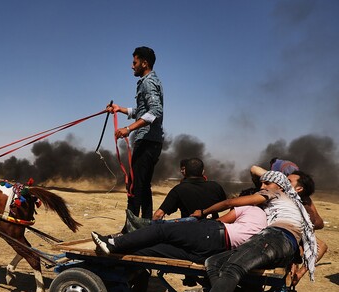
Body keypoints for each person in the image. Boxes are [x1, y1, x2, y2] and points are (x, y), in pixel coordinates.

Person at [160, 171, 317, 292]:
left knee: (233, 267)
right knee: (214, 262)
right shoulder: (288, 202)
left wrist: (204, 211)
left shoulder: (277, 193)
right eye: (261, 184)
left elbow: (230, 202)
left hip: (276, 237)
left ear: (279, 186)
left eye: (266, 183)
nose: (262, 187)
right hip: (278, 242)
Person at [91, 196, 267, 264]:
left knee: (163, 231)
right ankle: (121, 248)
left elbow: (221, 221)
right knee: (155, 250)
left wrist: (203, 215)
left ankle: (114, 243)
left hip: (212, 234)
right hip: (213, 253)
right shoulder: (266, 222)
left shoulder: (252, 209)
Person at [107, 46, 164, 221]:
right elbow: (142, 111)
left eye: (135, 62)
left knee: (134, 186)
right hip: (151, 141)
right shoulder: (149, 81)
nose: (132, 66)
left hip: (147, 141)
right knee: (142, 186)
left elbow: (155, 111)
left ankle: (130, 230)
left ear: (144, 63)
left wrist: (129, 128)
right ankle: (145, 226)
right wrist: (120, 109)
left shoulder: (147, 82)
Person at [152, 158, 227, 221]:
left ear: (185, 171)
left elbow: (158, 215)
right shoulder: (216, 186)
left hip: (189, 233)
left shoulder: (179, 189)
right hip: (214, 232)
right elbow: (226, 205)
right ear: (203, 171)